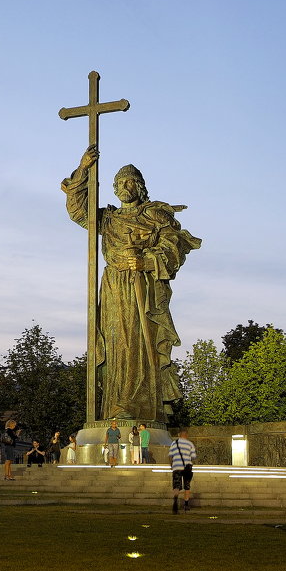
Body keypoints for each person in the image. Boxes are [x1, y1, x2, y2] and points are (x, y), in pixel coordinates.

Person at [63, 146, 202, 421]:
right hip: (114, 286)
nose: (125, 187)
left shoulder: (155, 216)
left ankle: (139, 405)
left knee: (139, 343)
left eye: (130, 182)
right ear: (114, 188)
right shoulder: (108, 219)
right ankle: (117, 404)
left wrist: (146, 262)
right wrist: (83, 170)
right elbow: (78, 211)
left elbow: (175, 248)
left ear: (139, 187)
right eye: (120, 182)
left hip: (144, 288)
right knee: (116, 343)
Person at [168, 428, 197, 513]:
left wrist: (171, 465)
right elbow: (193, 456)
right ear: (186, 435)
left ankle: (175, 500)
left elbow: (170, 455)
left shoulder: (174, 443)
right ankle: (186, 504)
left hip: (176, 466)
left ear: (179, 435)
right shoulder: (190, 444)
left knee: (176, 485)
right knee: (187, 485)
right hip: (187, 467)